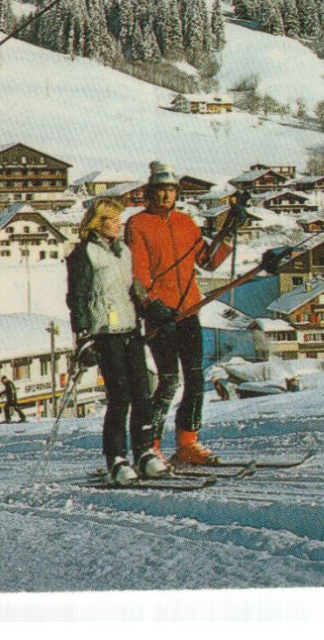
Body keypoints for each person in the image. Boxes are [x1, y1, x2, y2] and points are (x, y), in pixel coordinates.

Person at [125, 161, 230, 467]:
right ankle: (151, 447)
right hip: (160, 314)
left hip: (188, 309)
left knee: (196, 378)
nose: (165, 197)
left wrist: (229, 232)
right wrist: (153, 307)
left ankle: (188, 443)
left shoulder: (186, 223)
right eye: (160, 191)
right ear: (150, 193)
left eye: (170, 191)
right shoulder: (138, 224)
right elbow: (138, 274)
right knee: (169, 380)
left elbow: (207, 262)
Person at [66, 196, 169, 485]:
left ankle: (144, 452)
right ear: (99, 223)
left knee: (142, 392)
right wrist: (83, 336)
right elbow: (77, 298)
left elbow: (132, 288)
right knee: (120, 397)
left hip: (129, 328)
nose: (118, 224)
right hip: (104, 332)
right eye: (112, 219)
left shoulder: (123, 252)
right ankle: (116, 458)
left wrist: (150, 306)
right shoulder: (84, 254)